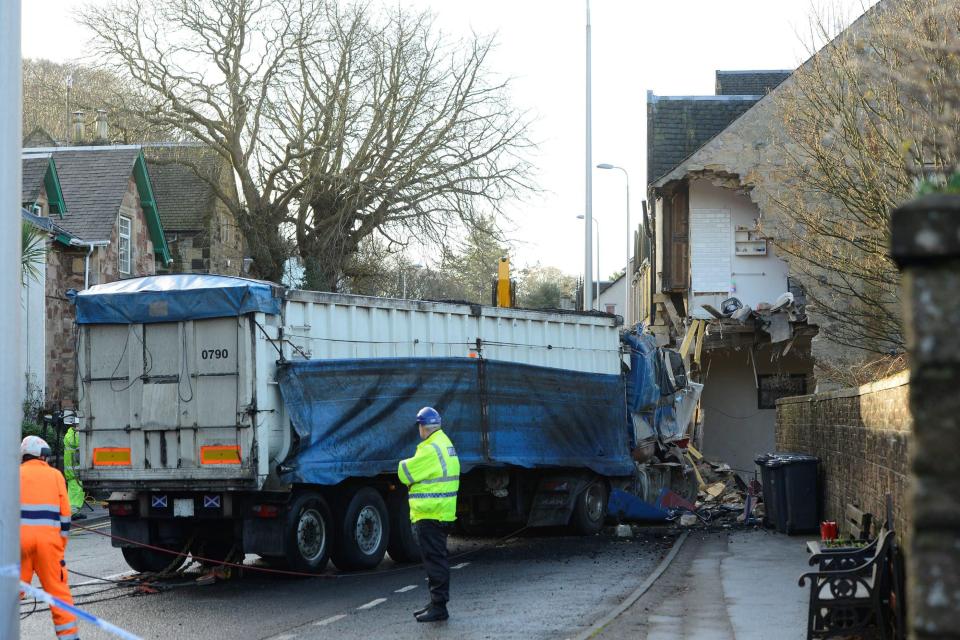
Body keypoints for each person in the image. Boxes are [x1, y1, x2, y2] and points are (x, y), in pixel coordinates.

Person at [398, 406, 460, 623]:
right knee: (436, 559)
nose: (419, 430)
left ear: (423, 427)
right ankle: (435, 603)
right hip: (441, 513)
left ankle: (439, 607)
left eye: (419, 426)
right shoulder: (445, 443)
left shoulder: (430, 448)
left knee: (435, 561)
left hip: (430, 514)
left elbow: (405, 473)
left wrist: (401, 464)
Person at [20, 435, 79, 640]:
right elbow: (65, 516)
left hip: (19, 544)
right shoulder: (55, 476)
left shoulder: (12, 475)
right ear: (43, 457)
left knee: (9, 595)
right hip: (49, 545)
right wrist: (59, 547)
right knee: (59, 594)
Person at [62, 424, 86, 518]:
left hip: (71, 468)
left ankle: (73, 511)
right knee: (77, 491)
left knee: (74, 491)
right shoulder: (74, 435)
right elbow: (77, 443)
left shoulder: (70, 434)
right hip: (74, 469)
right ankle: (73, 513)